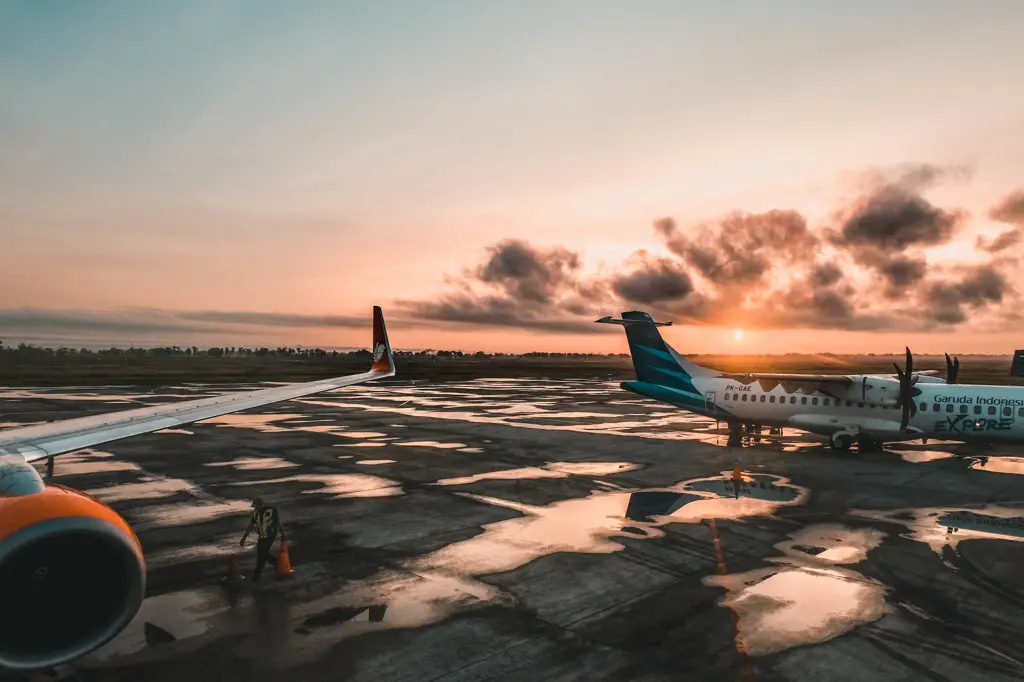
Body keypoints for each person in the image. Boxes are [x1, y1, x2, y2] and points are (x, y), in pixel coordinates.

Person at [240, 497, 286, 581]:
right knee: (262, 555)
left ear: (261, 505)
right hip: (261, 536)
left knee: (262, 554)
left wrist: (282, 534)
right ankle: (278, 567)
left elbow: (277, 522)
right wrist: (244, 538)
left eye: (256, 506)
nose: (256, 508)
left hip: (270, 535)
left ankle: (258, 575)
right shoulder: (256, 514)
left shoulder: (271, 511)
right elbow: (251, 526)